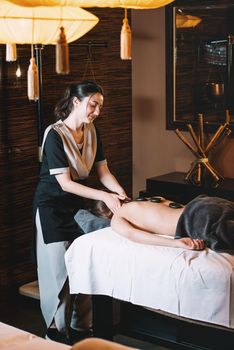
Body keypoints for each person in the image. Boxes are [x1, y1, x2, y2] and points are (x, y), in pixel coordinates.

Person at [33, 80, 129, 344]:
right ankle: (56, 332)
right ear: (76, 102)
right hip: (51, 208)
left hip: (77, 206)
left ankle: (81, 327)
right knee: (60, 275)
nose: (97, 111)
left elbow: (103, 171)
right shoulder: (54, 134)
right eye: (93, 105)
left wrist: (121, 195)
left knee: (84, 265)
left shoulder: (92, 131)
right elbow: (64, 183)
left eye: (100, 106)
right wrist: (105, 197)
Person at [92, 195, 234, 252]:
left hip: (196, 219)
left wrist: (177, 243)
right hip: (205, 203)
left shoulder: (118, 217)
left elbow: (134, 236)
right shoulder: (148, 198)